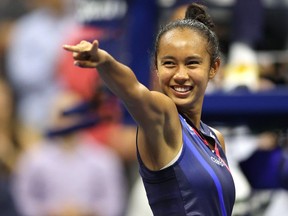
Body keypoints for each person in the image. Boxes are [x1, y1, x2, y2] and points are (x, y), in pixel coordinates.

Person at [63, 3, 236, 215]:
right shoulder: (165, 117)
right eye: (169, 63)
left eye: (192, 63)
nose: (180, 75)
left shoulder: (216, 139)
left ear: (213, 68)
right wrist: (104, 61)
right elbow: (134, 91)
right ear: (156, 66)